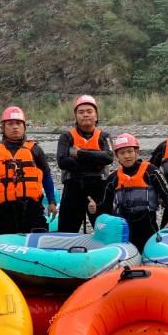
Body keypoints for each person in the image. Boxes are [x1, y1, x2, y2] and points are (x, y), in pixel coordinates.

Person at [87, 133, 168, 251]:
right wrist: (95, 208)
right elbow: (106, 206)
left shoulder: (151, 171)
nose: (127, 156)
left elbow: (167, 195)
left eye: (130, 151)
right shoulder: (113, 178)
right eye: (122, 153)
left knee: (147, 253)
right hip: (123, 229)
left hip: (147, 226)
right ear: (117, 155)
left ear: (137, 152)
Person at [0, 106, 58, 235]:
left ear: (24, 127)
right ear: (2, 128)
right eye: (10, 124)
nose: (15, 127)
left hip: (33, 209)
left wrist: (52, 201)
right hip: (5, 210)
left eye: (18, 123)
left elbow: (46, 176)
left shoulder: (35, 150)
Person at [56, 95, 113, 233]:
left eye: (89, 111)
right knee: (66, 230)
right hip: (73, 187)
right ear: (76, 116)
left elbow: (109, 157)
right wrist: (95, 162)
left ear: (96, 116)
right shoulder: (66, 137)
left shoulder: (103, 136)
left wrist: (80, 154)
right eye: (81, 112)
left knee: (104, 229)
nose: (85, 115)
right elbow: (62, 161)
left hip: (98, 188)